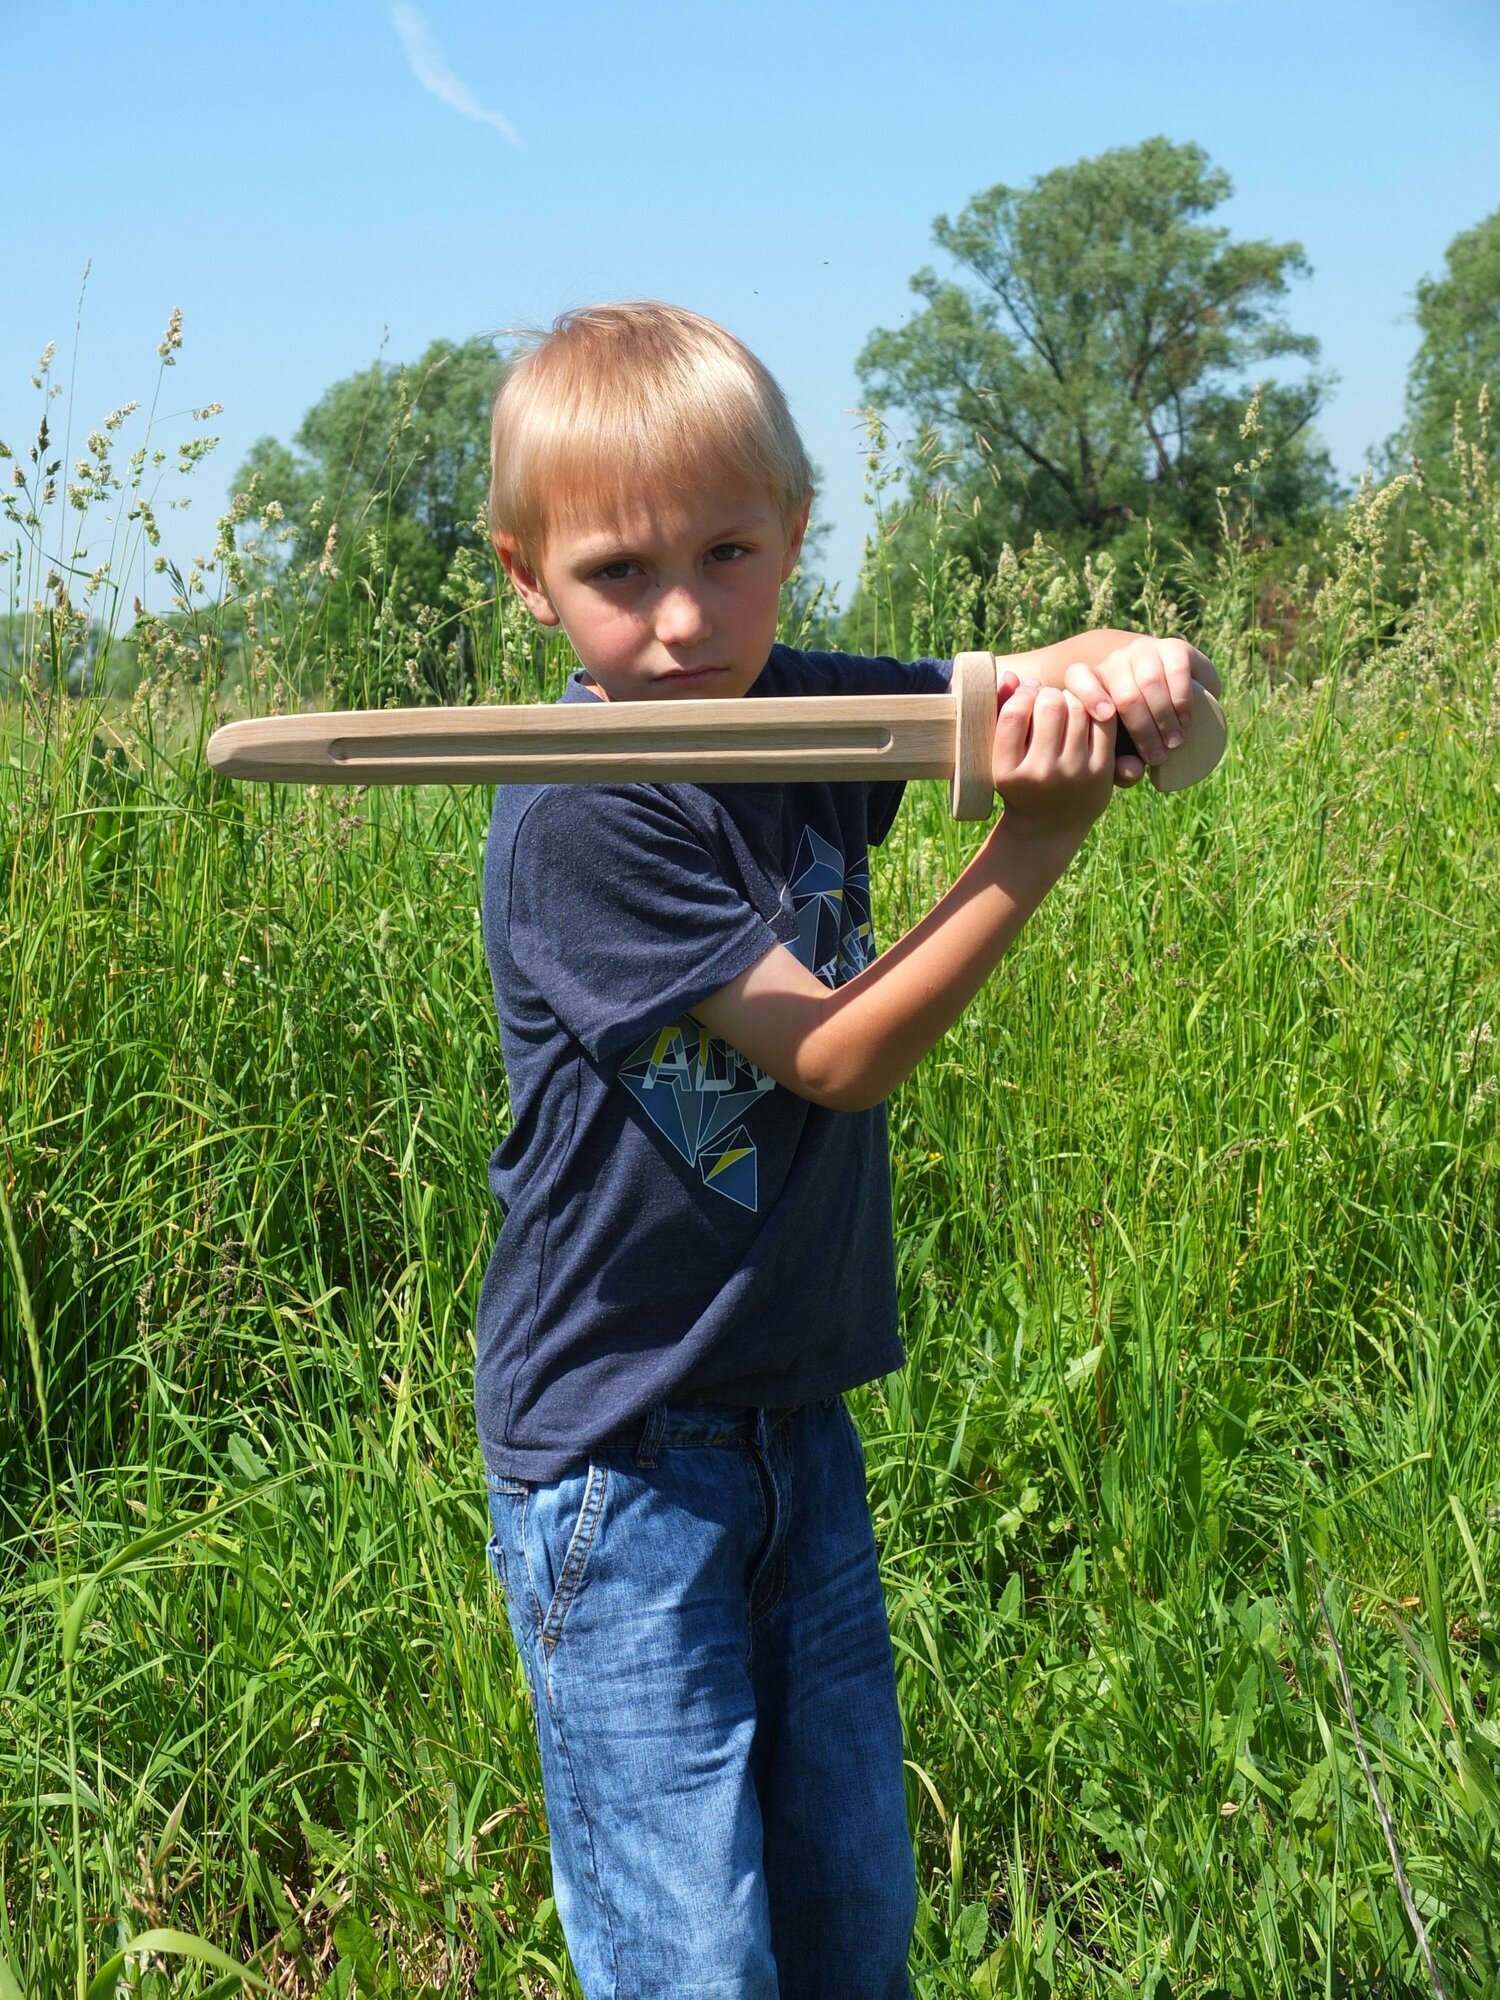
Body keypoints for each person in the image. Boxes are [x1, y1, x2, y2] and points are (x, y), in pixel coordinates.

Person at [476, 301, 1218, 1999]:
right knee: (693, 1963)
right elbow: (836, 1054)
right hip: (621, 1450)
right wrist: (1040, 842)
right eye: (618, 575)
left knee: (845, 1928)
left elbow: (1058, 685)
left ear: (795, 533)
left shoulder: (801, 706)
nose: (680, 621)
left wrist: (1149, 678)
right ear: (530, 580)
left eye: (728, 554)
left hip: (796, 1417)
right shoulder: (587, 805)